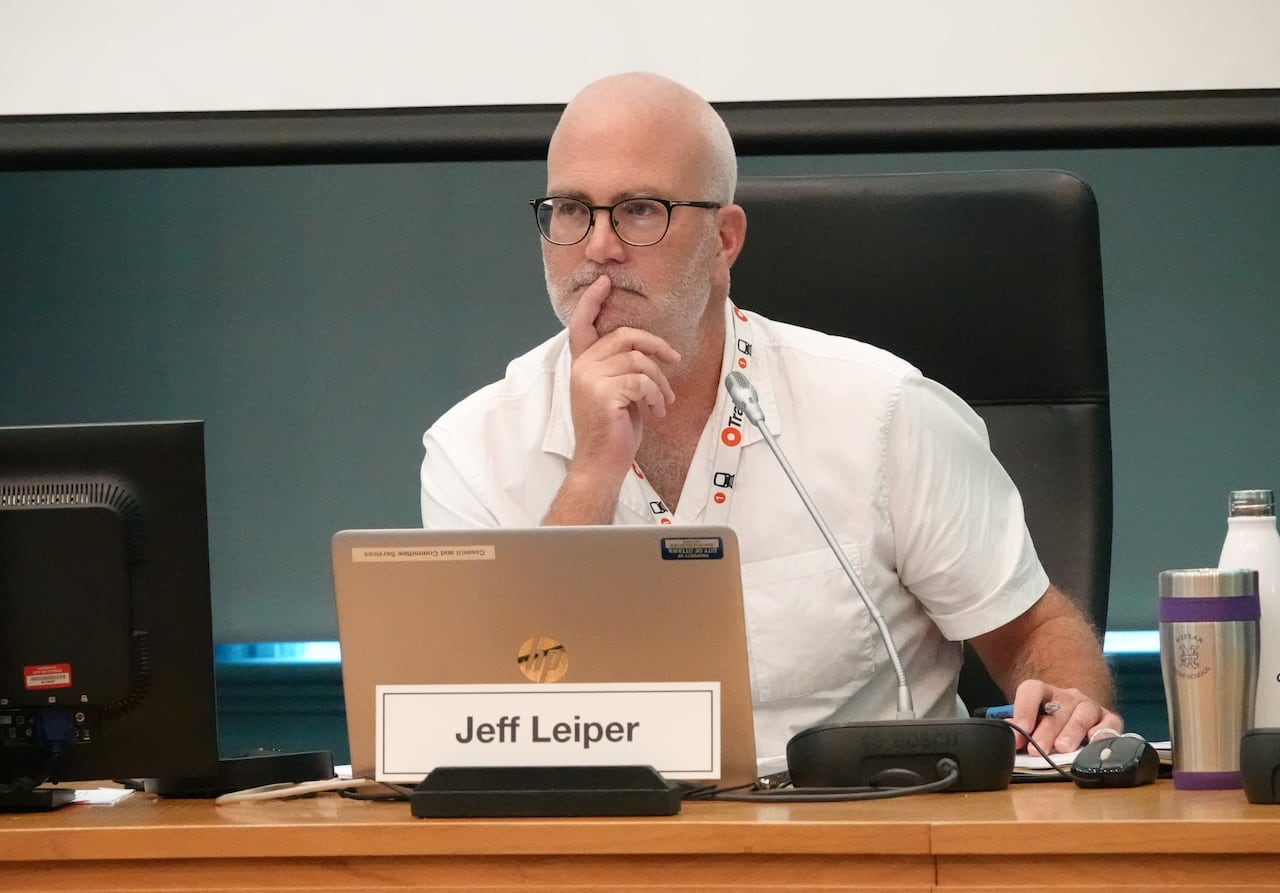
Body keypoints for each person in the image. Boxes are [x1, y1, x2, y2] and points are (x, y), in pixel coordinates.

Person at [420, 71, 1122, 775]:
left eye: (639, 210)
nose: (598, 245)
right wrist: (590, 475)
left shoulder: (881, 412)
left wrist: (1068, 707)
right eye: (572, 209)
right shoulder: (473, 450)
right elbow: (490, 717)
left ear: (724, 239)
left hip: (866, 841)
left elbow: (1033, 628)